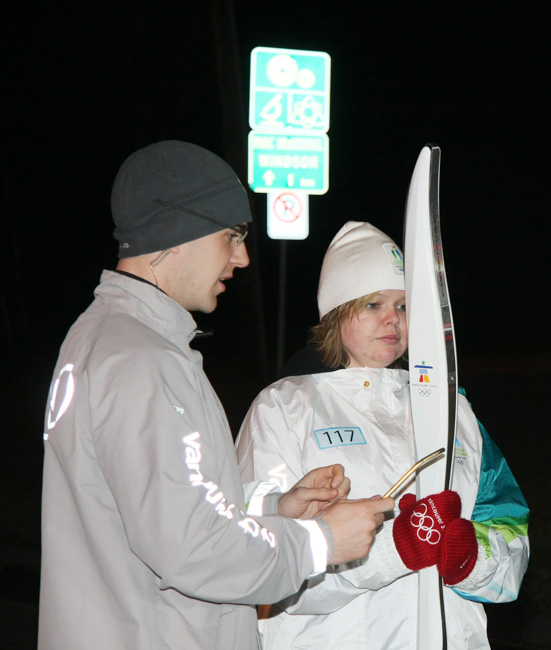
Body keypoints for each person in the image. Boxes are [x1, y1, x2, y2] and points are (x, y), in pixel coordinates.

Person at [39, 141, 393, 650]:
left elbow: (159, 515)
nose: (242, 257)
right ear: (173, 231)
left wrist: (276, 512)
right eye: (231, 236)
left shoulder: (103, 337)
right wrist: (320, 541)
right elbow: (191, 549)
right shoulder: (142, 359)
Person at [235, 221, 530, 649]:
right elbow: (261, 566)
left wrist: (471, 558)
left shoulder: (453, 411)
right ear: (337, 314)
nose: (392, 319)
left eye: (405, 305)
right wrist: (395, 549)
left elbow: (511, 545)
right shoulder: (284, 407)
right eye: (373, 304)